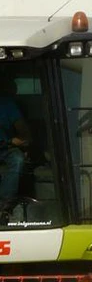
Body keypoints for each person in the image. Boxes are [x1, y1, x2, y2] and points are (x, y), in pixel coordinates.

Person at [0, 78, 30, 207]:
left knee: (17, 158)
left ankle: (5, 203)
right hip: (6, 143)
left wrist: (25, 141)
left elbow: (22, 129)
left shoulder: (7, 104)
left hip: (5, 148)